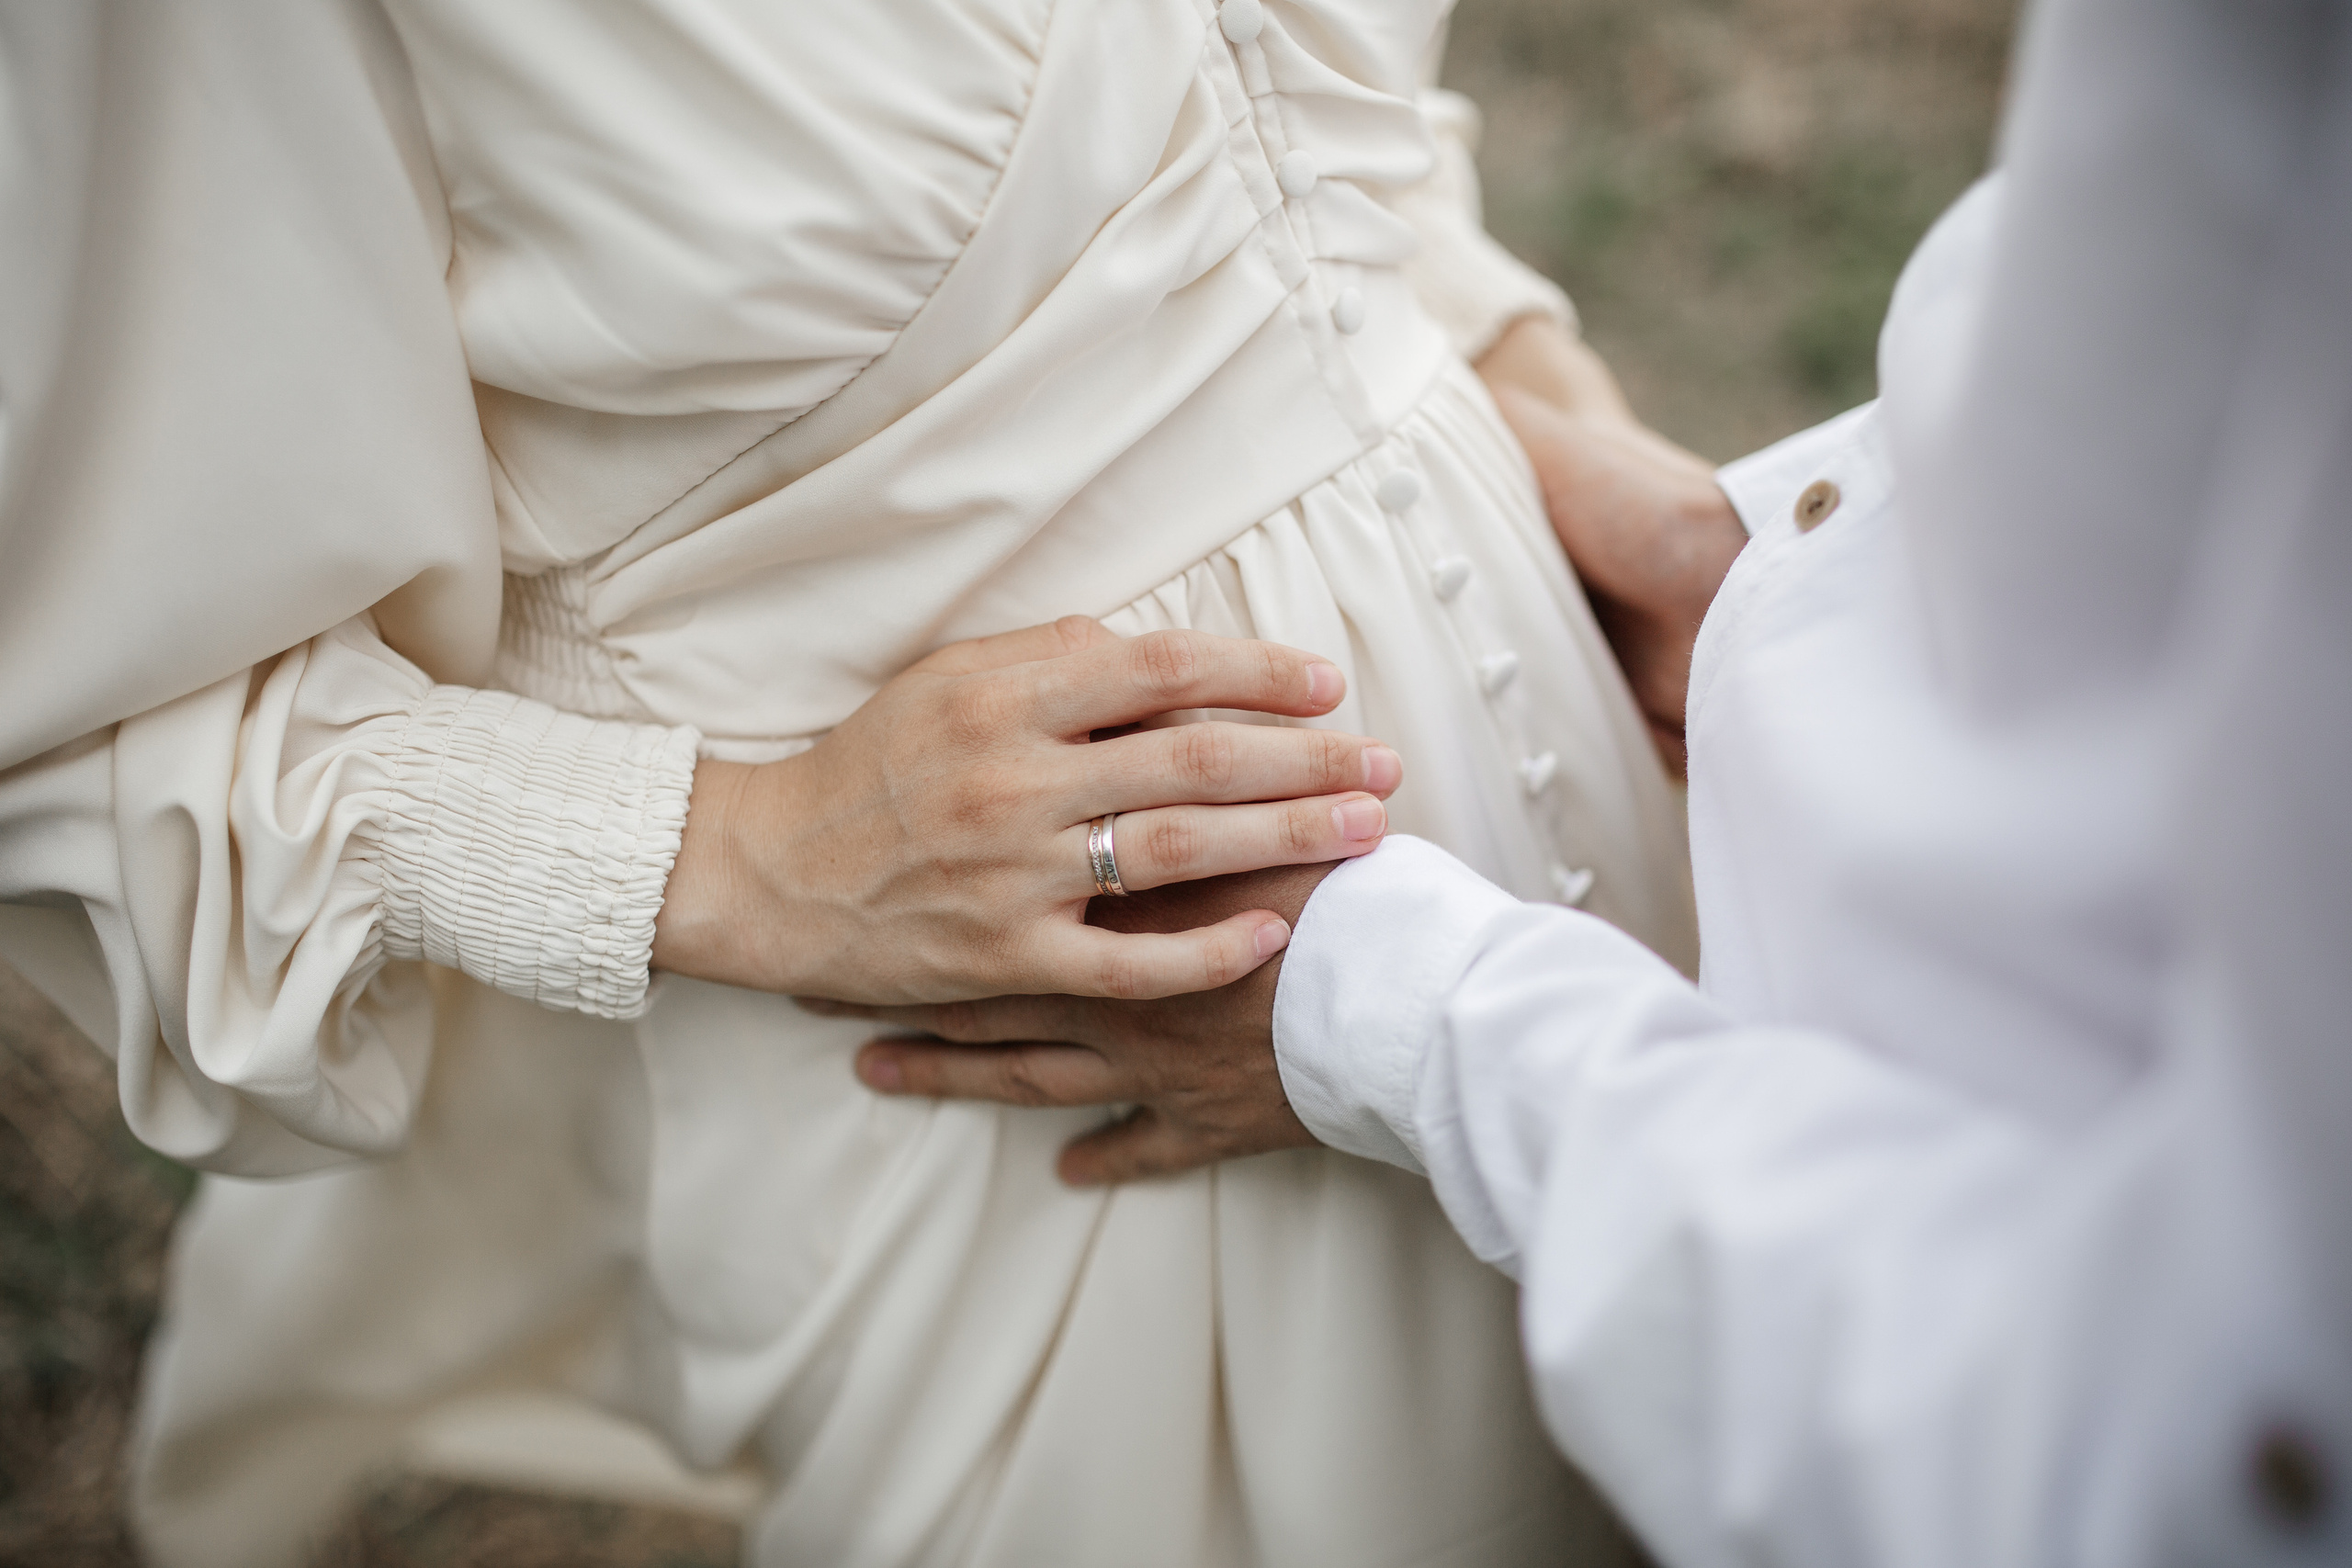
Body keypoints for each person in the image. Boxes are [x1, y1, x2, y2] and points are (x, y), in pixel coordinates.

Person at [0, 3, 1692, 1564]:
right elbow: (73, 705)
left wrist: (1529, 385)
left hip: (1618, 895)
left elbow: (1257, 106)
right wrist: (732, 859)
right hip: (1046, 1103)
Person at [843, 1, 2352, 1562]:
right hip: (1076, 1017)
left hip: (1580, 1040)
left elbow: (2198, 1471)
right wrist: (1792, 578)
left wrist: (1411, 1025)